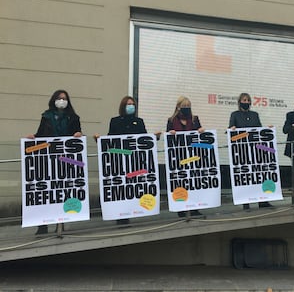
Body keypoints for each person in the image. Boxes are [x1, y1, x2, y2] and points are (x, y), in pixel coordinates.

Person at [95, 96, 160, 225]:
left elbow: (144, 138)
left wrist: (154, 138)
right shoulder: (115, 121)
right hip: (120, 158)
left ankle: (133, 210)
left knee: (133, 186)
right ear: (123, 106)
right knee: (122, 187)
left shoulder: (139, 121)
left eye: (133, 104)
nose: (131, 106)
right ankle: (122, 216)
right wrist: (99, 140)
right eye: (128, 104)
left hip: (134, 159)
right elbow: (110, 139)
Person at [27, 89, 82, 235]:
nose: (62, 101)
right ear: (54, 100)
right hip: (48, 159)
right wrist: (33, 137)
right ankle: (43, 225)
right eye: (59, 98)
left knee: (62, 190)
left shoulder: (73, 117)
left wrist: (78, 134)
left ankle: (61, 222)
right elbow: (40, 134)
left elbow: (78, 133)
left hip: (64, 160)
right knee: (47, 191)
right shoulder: (46, 116)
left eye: (64, 98)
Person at [229, 92, 273, 210]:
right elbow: (231, 132)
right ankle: (246, 201)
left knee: (259, 173)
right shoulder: (235, 114)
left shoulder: (255, 114)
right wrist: (232, 129)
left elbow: (259, 129)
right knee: (246, 175)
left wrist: (267, 130)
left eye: (248, 100)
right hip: (242, 149)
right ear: (239, 102)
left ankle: (263, 201)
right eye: (244, 100)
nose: (246, 102)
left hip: (255, 149)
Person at [167, 96, 204, 217]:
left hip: (192, 155)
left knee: (193, 180)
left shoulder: (194, 119)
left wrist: (201, 131)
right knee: (180, 181)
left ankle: (194, 208)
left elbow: (199, 135)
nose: (187, 108)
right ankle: (181, 207)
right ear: (178, 107)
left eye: (188, 106)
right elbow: (168, 139)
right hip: (179, 156)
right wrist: (170, 133)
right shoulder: (171, 120)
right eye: (184, 106)